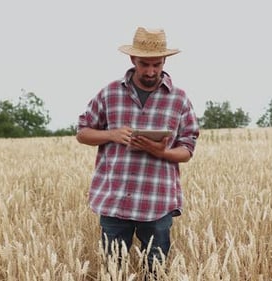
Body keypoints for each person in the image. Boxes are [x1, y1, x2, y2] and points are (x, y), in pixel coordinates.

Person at [76, 27, 200, 275]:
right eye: (145, 64)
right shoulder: (109, 93)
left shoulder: (180, 99)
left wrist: (161, 151)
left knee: (156, 272)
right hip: (115, 201)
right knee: (113, 272)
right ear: (133, 59)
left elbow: (187, 149)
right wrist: (111, 134)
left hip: (157, 203)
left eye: (157, 64)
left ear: (164, 61)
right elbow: (82, 132)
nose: (151, 71)